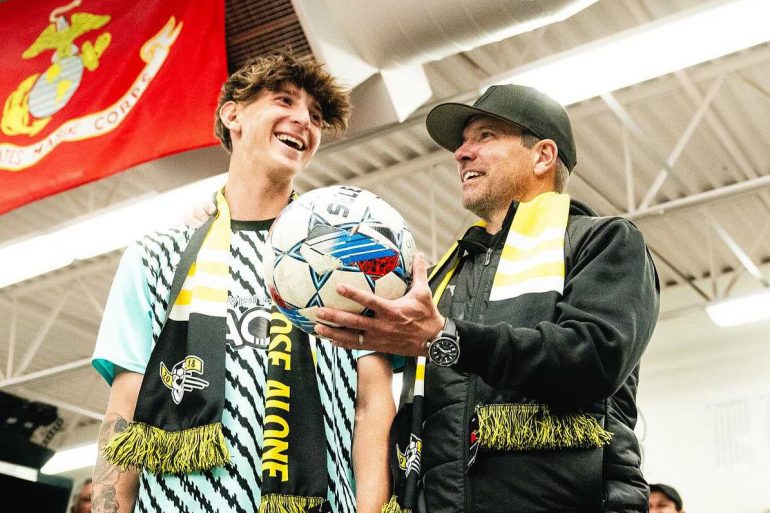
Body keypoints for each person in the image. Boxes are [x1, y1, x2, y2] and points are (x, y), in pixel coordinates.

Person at [314, 84, 660, 513]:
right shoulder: (443, 278)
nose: (461, 152)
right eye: (462, 142)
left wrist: (447, 338)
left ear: (543, 156)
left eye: (485, 136)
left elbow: (593, 358)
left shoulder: (604, 241)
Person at [90, 52, 394, 513]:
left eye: (314, 116)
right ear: (233, 114)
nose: (302, 120)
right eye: (284, 101)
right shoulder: (156, 257)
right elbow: (125, 409)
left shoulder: (349, 258)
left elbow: (372, 406)